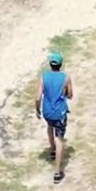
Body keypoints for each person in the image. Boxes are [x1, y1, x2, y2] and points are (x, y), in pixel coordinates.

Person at [35, 51, 73, 183]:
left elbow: (38, 97)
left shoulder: (43, 77)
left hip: (47, 112)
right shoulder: (65, 77)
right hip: (60, 113)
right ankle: (57, 172)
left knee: (49, 126)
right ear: (61, 65)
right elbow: (70, 95)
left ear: (50, 64)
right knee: (60, 138)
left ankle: (52, 149)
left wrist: (37, 110)